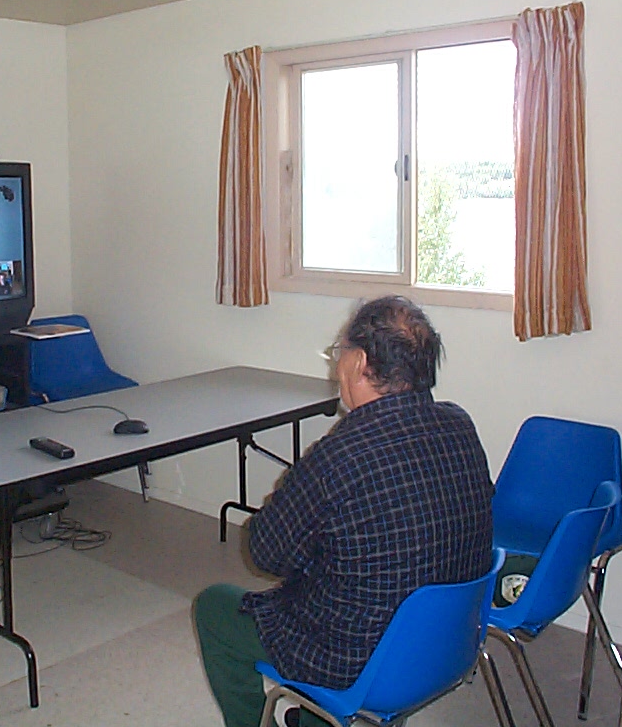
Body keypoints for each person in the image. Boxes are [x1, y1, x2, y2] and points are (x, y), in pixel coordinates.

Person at [193, 295, 494, 727]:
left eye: (340, 353)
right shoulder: (459, 424)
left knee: (215, 606)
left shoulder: (339, 455)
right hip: (448, 645)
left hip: (357, 660)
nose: (337, 366)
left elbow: (265, 553)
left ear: (360, 362)